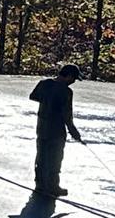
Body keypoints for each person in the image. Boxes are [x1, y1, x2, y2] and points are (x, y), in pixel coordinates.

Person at [29, 64, 83, 197]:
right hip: (57, 131)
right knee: (55, 159)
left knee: (41, 157)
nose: (73, 82)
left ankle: (40, 184)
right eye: (74, 78)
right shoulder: (66, 92)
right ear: (68, 76)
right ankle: (53, 186)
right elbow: (67, 116)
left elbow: (33, 96)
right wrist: (74, 133)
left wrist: (48, 100)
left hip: (42, 128)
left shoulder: (44, 84)